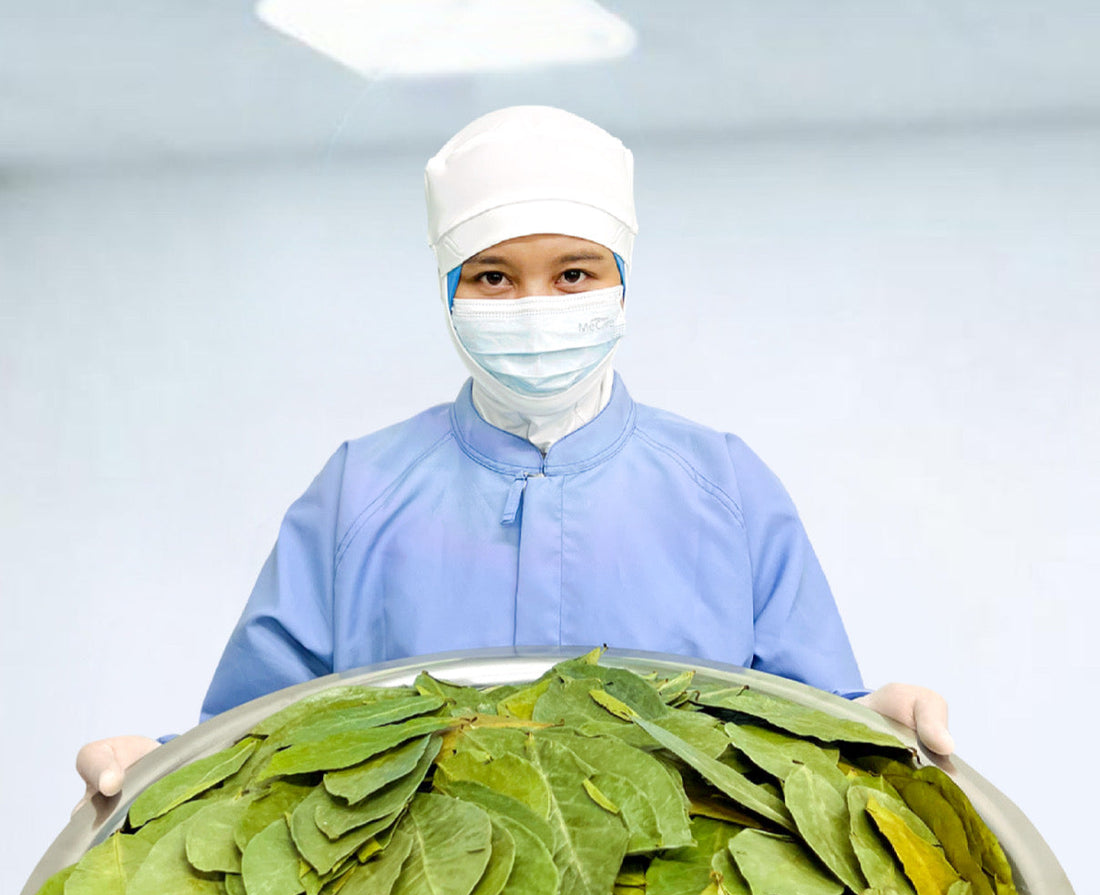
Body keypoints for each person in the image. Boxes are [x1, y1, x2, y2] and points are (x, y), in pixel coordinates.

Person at [77, 106, 952, 801]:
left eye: (574, 273)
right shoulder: (361, 489)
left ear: (622, 281)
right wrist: (148, 762)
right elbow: (252, 737)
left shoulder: (723, 484)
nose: (536, 304)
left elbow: (808, 724)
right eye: (493, 276)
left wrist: (875, 718)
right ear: (450, 292)